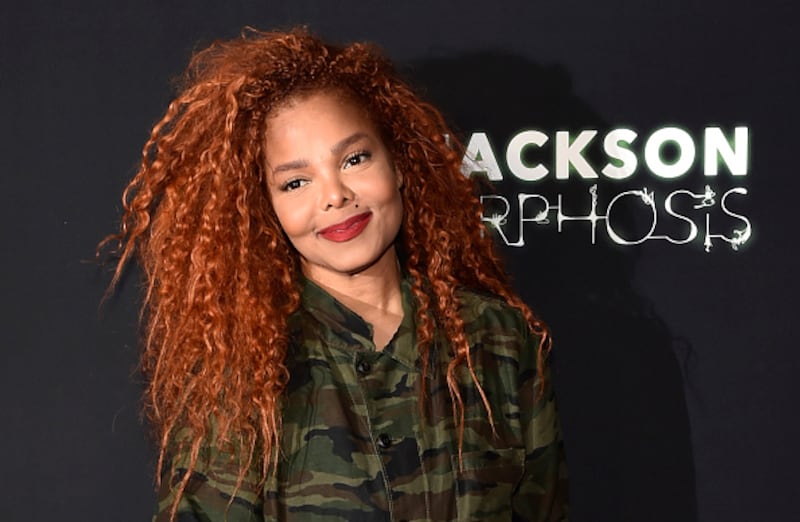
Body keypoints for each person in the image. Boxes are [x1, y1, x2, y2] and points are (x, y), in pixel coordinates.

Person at [105, 28, 568, 521]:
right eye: (295, 182)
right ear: (265, 206)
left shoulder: (497, 337)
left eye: (354, 159)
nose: (334, 196)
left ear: (399, 164)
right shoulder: (242, 369)